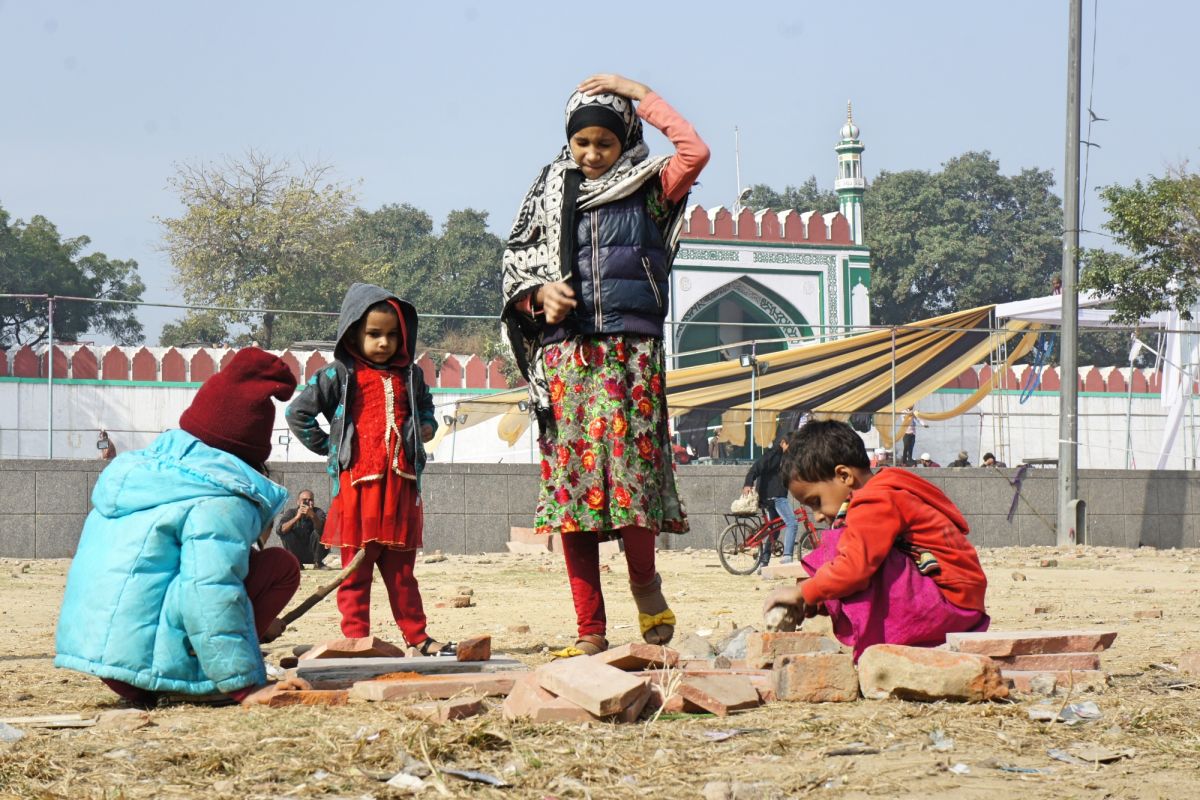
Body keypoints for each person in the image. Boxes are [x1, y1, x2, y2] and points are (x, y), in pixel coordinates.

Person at [499, 73, 709, 656]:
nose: (592, 154)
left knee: (632, 485)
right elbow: (516, 268)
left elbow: (695, 150)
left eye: (605, 143)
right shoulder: (548, 192)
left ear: (626, 140)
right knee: (574, 498)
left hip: (629, 358)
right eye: (582, 142)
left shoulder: (650, 188)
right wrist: (539, 297)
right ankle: (590, 628)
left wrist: (637, 92)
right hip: (567, 358)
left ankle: (645, 587)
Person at [55, 349, 307, 706]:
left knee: (235, 560)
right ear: (252, 452)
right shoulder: (220, 500)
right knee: (280, 567)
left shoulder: (139, 472)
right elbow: (209, 591)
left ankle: (201, 666)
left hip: (104, 653)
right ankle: (202, 677)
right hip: (151, 664)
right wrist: (244, 686)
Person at [286, 282, 453, 656]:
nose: (384, 343)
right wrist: (330, 448)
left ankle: (418, 637)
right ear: (353, 334)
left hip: (401, 487)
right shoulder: (338, 374)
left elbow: (427, 410)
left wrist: (426, 427)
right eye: (374, 334)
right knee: (356, 572)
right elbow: (297, 413)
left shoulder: (411, 376)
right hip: (357, 489)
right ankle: (356, 639)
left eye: (392, 335)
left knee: (402, 573)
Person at [763, 420, 988, 660]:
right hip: (960, 605)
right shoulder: (887, 486)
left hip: (948, 606)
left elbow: (854, 569)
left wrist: (803, 592)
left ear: (844, 475)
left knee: (844, 549)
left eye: (816, 502)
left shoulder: (873, 500)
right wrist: (815, 596)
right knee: (851, 552)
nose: (817, 516)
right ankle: (818, 602)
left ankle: (884, 650)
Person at [743, 437, 797, 568]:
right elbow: (756, 467)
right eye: (791, 445)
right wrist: (748, 483)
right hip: (775, 496)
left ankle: (763, 562)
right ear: (783, 442)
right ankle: (787, 556)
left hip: (772, 496)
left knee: (775, 529)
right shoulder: (773, 455)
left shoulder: (783, 456)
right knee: (792, 523)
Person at [276, 489, 328, 569]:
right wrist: (297, 517)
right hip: (297, 552)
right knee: (286, 533)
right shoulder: (291, 512)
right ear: (298, 502)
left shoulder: (318, 512)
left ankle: (318, 563)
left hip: (316, 552)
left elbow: (322, 529)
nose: (308, 502)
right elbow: (280, 530)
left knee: (319, 532)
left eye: (310, 500)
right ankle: (296, 563)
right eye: (304, 500)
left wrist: (312, 515)